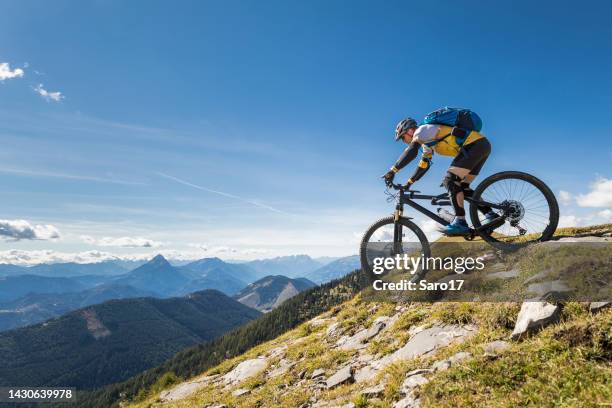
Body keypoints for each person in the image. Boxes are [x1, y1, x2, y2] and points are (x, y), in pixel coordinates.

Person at [383, 116, 496, 235]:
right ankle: (490, 214)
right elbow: (423, 165)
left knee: (449, 181)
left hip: (474, 146)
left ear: (410, 131)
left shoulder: (422, 131)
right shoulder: (426, 142)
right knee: (462, 186)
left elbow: (411, 151)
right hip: (480, 146)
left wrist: (392, 171)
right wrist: (408, 183)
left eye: (403, 137)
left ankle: (460, 222)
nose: (404, 141)